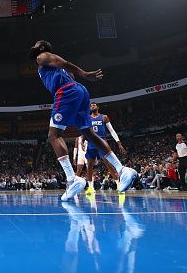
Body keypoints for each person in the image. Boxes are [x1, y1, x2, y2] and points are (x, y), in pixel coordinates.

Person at [29, 40, 137, 201]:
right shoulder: (52, 66)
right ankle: (122, 170)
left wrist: (85, 74)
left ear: (42, 48)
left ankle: (72, 179)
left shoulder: (42, 56)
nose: (33, 46)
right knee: (90, 134)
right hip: (79, 91)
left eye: (36, 44)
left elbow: (63, 62)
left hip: (65, 92)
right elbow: (68, 72)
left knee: (54, 135)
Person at [80, 102, 127, 194]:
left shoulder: (104, 117)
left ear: (97, 107)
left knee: (109, 164)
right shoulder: (87, 118)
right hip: (91, 143)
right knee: (89, 166)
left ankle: (119, 185)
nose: (92, 106)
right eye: (90, 106)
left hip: (102, 142)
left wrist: (119, 143)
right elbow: (84, 131)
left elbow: (112, 131)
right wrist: (82, 141)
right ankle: (90, 188)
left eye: (93, 105)